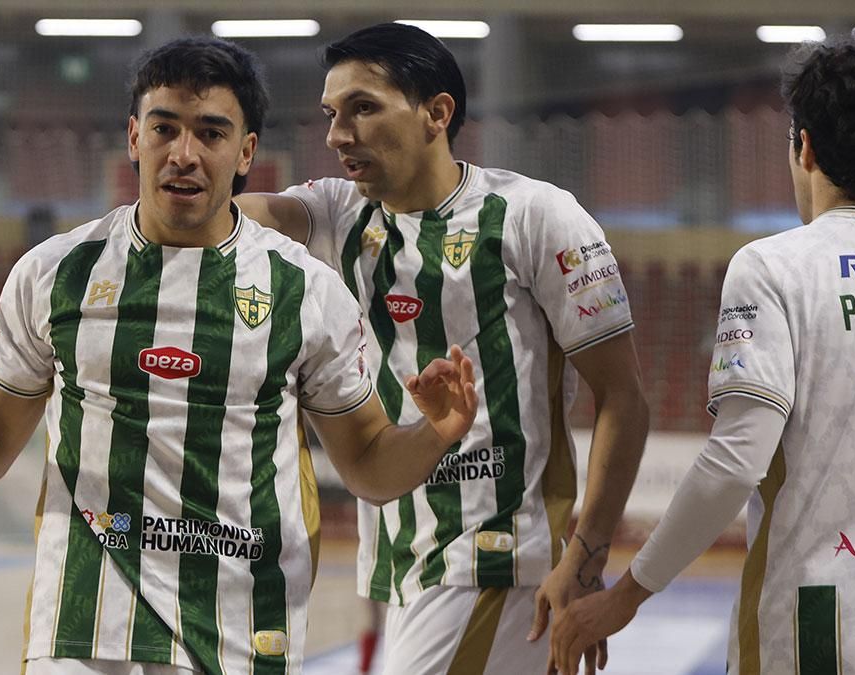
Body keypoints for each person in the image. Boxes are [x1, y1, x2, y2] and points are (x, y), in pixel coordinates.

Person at [0, 36, 478, 675]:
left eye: (211, 132)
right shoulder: (55, 273)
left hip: (238, 627)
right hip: (84, 628)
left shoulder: (304, 290)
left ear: (247, 151)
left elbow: (366, 465)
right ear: (133, 138)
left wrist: (435, 434)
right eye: (164, 128)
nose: (184, 154)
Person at [547, 40, 855, 675]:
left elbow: (734, 462)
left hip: (814, 642)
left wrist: (626, 595)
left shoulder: (774, 268)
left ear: (804, 147)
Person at [236, 23, 649, 675]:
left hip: (499, 557)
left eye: (363, 108)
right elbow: (229, 217)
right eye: (331, 114)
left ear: (437, 112)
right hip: (403, 560)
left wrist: (586, 557)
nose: (338, 134)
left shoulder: (535, 215)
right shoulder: (339, 213)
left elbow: (624, 397)